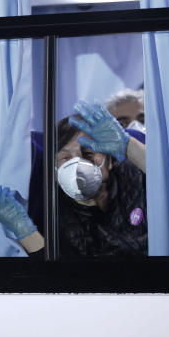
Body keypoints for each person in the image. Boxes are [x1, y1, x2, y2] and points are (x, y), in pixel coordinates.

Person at [56, 100, 147, 257]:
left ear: (109, 161)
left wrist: (127, 146)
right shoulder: (53, 214)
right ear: (54, 170)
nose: (78, 165)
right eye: (66, 158)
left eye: (88, 153)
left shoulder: (135, 177)